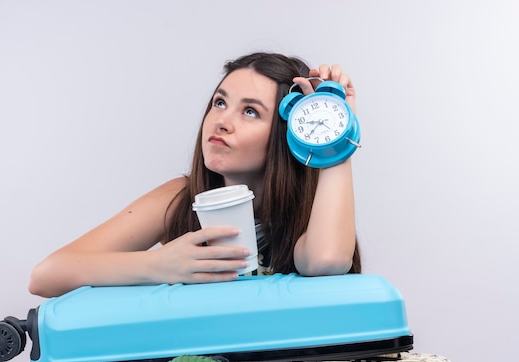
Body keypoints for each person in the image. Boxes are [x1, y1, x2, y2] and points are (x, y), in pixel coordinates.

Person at [28, 52, 361, 299]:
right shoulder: (179, 199)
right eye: (219, 103)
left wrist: (335, 127)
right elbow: (46, 276)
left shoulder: (312, 217)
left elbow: (326, 260)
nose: (221, 121)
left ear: (286, 131)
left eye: (250, 111)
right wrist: (158, 266)